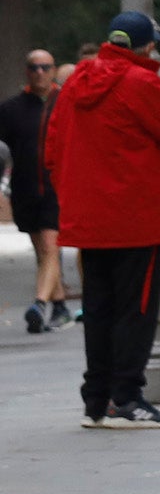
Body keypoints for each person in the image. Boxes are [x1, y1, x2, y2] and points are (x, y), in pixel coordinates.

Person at [44, 11, 160, 426]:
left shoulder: (77, 79)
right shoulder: (141, 82)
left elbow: (53, 144)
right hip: (137, 217)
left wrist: (73, 196)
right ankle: (126, 397)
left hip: (90, 218)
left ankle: (96, 399)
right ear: (146, 45)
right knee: (136, 308)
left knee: (98, 309)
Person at [0, 49, 72, 332]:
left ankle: (39, 304)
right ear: (26, 72)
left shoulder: (67, 103)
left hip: (59, 187)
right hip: (26, 188)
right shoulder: (11, 109)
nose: (39, 72)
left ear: (53, 70)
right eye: (34, 68)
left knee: (51, 246)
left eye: (45, 67)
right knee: (42, 250)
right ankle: (60, 306)